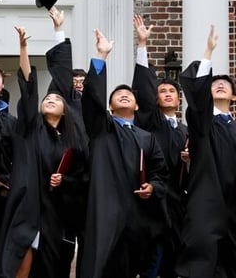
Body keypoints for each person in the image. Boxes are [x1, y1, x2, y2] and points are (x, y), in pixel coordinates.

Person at [0, 21, 88, 278]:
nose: (51, 99)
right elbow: (27, 89)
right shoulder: (29, 129)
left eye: (57, 99)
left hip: (56, 213)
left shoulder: (71, 139)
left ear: (66, 110)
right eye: (48, 97)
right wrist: (23, 49)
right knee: (19, 263)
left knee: (52, 266)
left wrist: (64, 180)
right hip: (28, 205)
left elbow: (81, 177)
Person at [79, 29, 169, 278]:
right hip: (105, 213)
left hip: (136, 217)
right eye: (118, 95)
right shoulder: (102, 128)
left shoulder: (147, 138)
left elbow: (160, 173)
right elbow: (91, 101)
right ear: (109, 106)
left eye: (128, 94)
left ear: (137, 105)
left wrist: (152, 187)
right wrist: (101, 55)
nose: (124, 95)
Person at [129, 15, 188, 278]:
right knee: (152, 262)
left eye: (171, 91)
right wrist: (142, 46)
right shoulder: (151, 122)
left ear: (178, 99)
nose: (166, 93)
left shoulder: (187, 132)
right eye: (161, 90)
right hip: (154, 202)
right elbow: (142, 89)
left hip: (180, 206)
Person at [176, 25, 236, 277]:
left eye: (225, 84)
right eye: (215, 84)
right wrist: (208, 52)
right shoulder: (203, 123)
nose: (220, 85)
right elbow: (198, 97)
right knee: (201, 265)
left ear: (234, 96)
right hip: (207, 204)